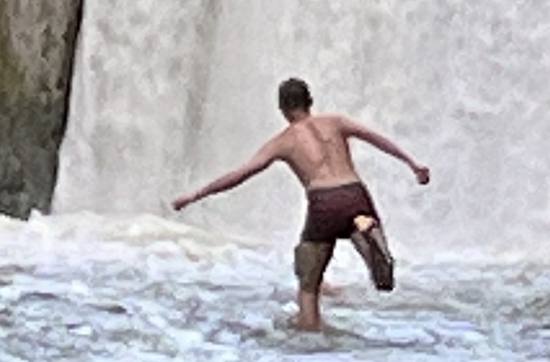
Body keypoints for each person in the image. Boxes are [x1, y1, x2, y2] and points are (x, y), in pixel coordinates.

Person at [172, 77, 430, 332]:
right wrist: (412, 163)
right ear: (310, 101)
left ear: (282, 109)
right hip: (355, 194)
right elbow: (377, 138)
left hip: (323, 202)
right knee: (371, 258)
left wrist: (195, 195)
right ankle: (366, 239)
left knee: (308, 284)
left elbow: (242, 173)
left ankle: (308, 321)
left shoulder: (284, 141)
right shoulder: (336, 122)